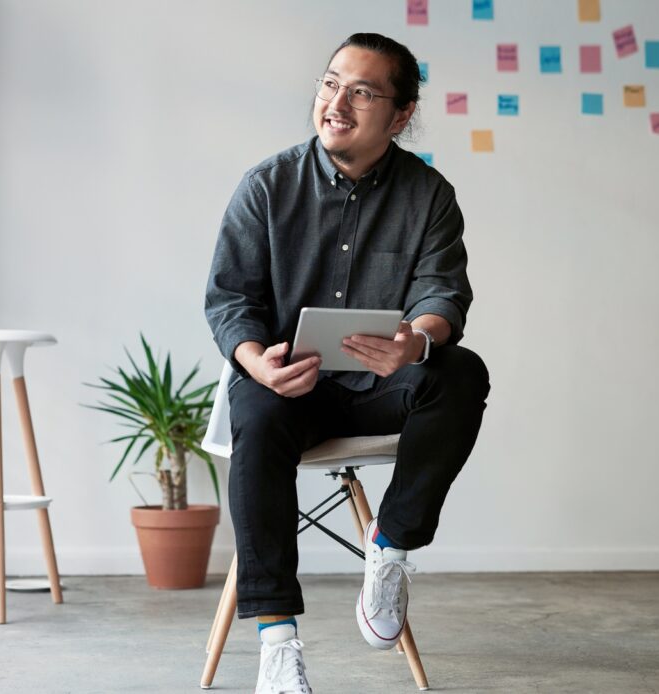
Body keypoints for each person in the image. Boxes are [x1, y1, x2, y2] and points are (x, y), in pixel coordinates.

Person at [204, 32, 491, 693]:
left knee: (460, 371)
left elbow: (442, 291)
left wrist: (415, 341)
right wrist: (257, 361)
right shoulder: (267, 186)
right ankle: (277, 645)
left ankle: (390, 548)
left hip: (379, 384)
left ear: (400, 115)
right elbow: (229, 300)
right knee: (254, 401)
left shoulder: (428, 195)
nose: (337, 102)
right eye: (331, 83)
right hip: (287, 387)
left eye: (362, 91)